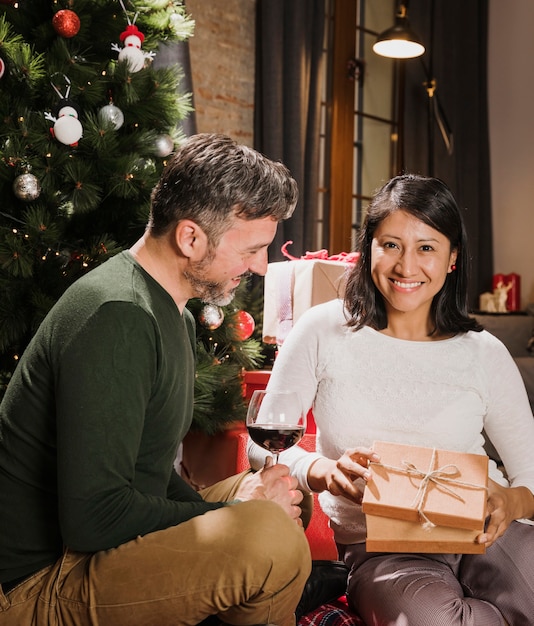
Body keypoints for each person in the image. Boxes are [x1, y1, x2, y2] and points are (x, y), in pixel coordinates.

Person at [0, 133, 312, 626]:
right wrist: (233, 519)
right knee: (268, 538)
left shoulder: (174, 312)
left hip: (99, 544)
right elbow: (92, 518)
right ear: (190, 238)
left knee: (286, 497)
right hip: (42, 581)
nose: (259, 266)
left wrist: (245, 507)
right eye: (251, 249)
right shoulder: (117, 313)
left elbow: (146, 467)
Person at [249, 174, 534, 626]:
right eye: (391, 245)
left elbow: (529, 473)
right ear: (369, 249)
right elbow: (260, 445)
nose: (406, 266)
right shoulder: (322, 330)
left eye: (427, 247)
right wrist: (322, 472)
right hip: (379, 548)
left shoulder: (484, 352)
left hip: (483, 532)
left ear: (452, 257)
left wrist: (513, 504)